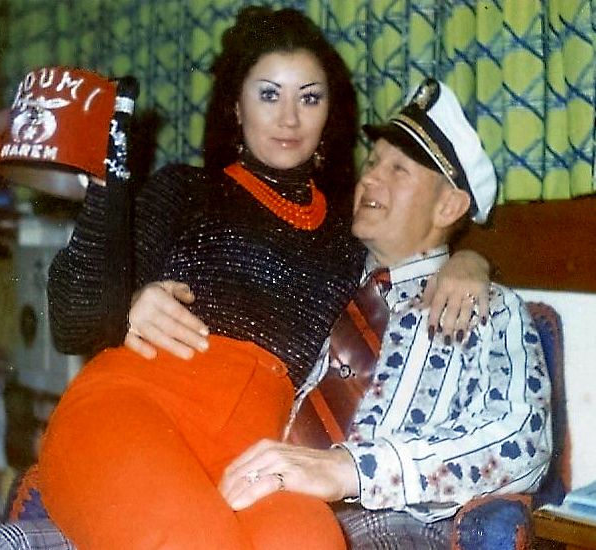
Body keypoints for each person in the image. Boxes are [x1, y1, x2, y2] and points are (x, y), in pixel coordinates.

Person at [0, 7, 488, 550]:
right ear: (236, 107)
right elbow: (72, 323)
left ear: (329, 115)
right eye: (268, 94)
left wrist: (469, 262)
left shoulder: (349, 242)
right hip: (130, 412)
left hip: (254, 459)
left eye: (309, 98)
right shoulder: (184, 190)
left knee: (311, 540)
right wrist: (124, 277)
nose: (289, 118)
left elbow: (416, 259)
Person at [213, 78, 552, 549]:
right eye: (372, 163)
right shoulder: (323, 281)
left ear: (449, 205)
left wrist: (353, 470)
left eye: (398, 169)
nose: (370, 178)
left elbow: (522, 440)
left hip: (387, 520)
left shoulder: (489, 308)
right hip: (262, 493)